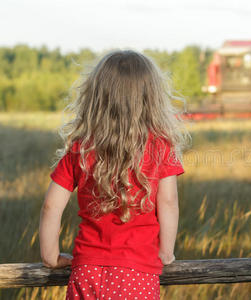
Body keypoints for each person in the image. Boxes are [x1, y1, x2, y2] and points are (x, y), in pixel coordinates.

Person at [39, 50, 189, 299]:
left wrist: (49, 255)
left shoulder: (81, 147)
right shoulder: (160, 147)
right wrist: (166, 252)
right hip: (138, 275)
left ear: (97, 97)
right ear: (151, 98)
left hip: (86, 271)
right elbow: (169, 203)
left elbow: (50, 206)